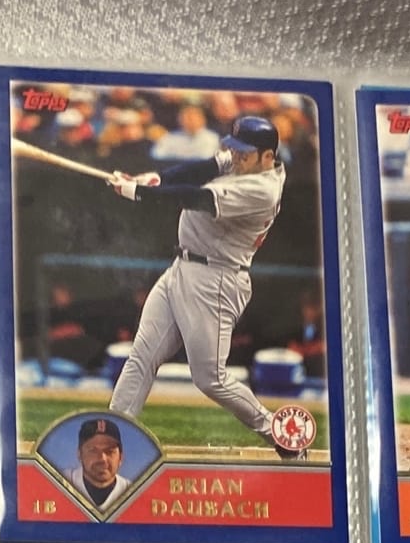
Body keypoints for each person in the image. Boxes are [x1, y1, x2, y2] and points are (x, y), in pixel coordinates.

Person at [104, 116, 309, 459]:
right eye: (236, 149)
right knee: (142, 355)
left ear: (267, 156)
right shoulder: (245, 160)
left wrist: (139, 192)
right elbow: (202, 169)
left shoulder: (262, 189)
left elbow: (197, 197)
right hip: (182, 267)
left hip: (216, 281)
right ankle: (112, 438)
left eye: (244, 152)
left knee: (210, 378)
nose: (236, 156)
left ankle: (281, 435)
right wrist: (157, 178)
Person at [65, 416, 132, 509]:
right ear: (79, 454)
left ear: (120, 457)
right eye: (93, 451)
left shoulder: (132, 490)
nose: (102, 459)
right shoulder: (61, 482)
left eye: (110, 451)